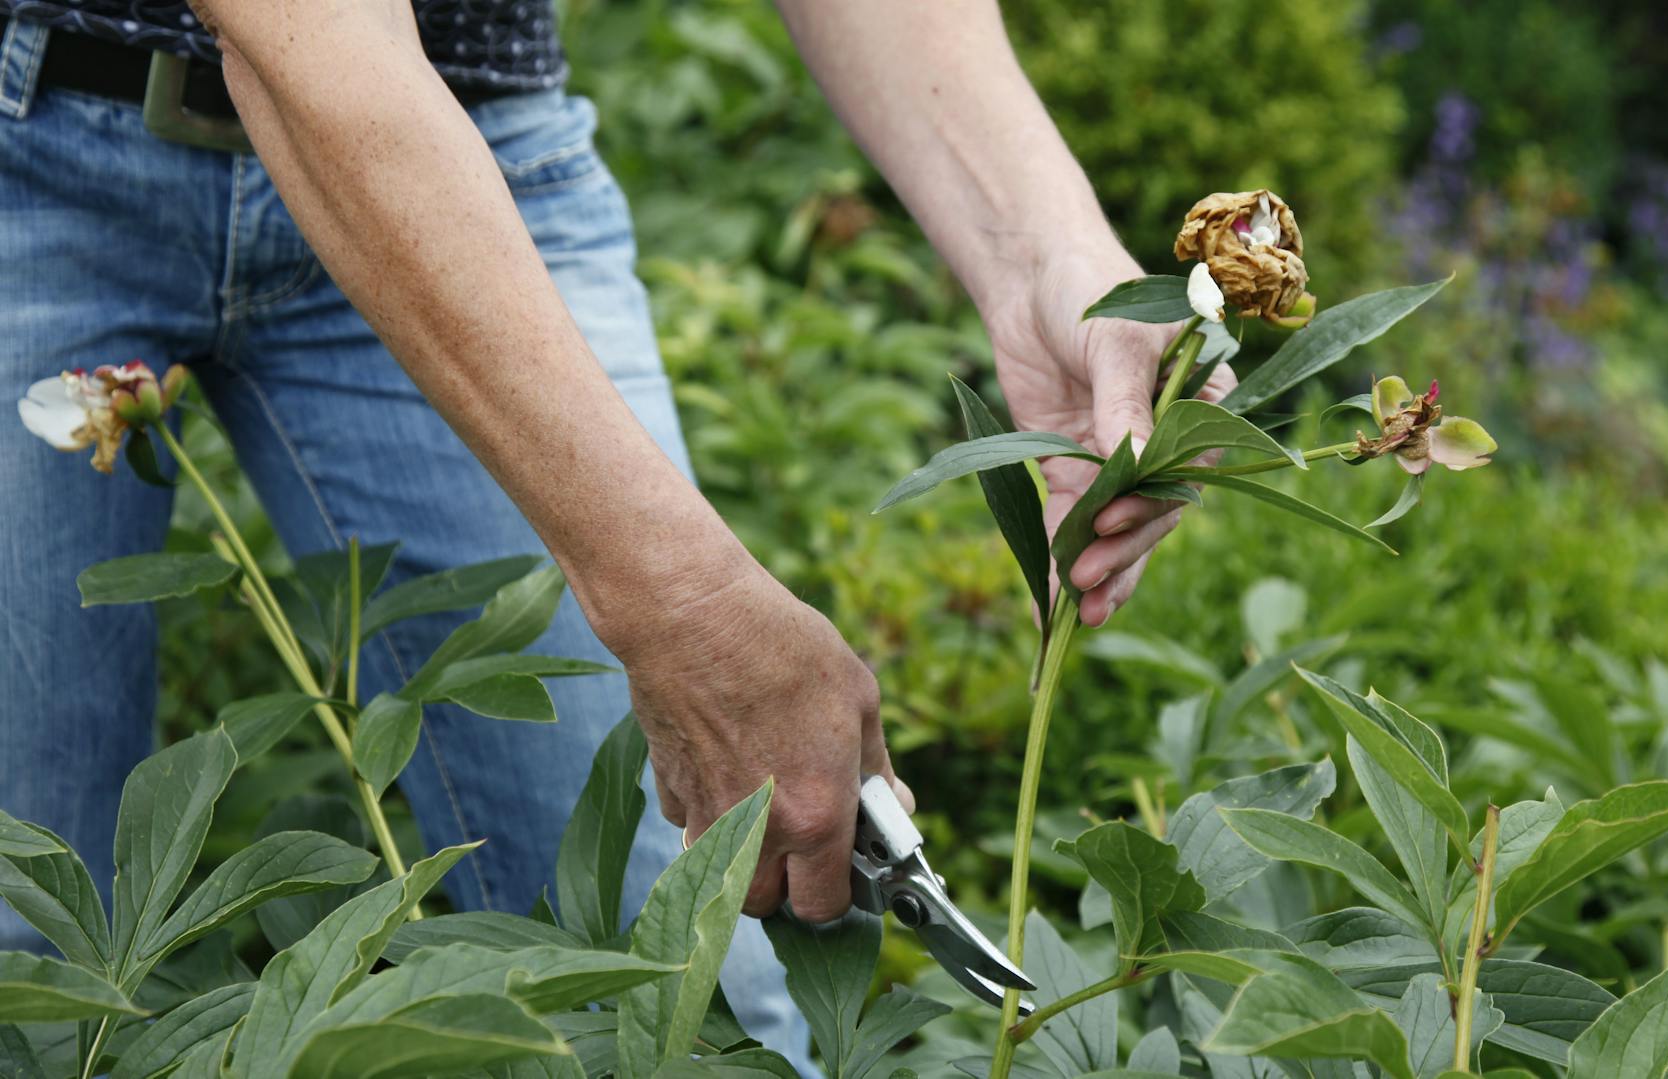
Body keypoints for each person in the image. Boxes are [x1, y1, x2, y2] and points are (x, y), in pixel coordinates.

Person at [0, 0, 1226, 1055]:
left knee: (692, 990)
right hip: (38, 138)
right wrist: (684, 603)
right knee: (38, 960)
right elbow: (304, 36)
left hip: (474, 137)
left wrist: (1050, 263)